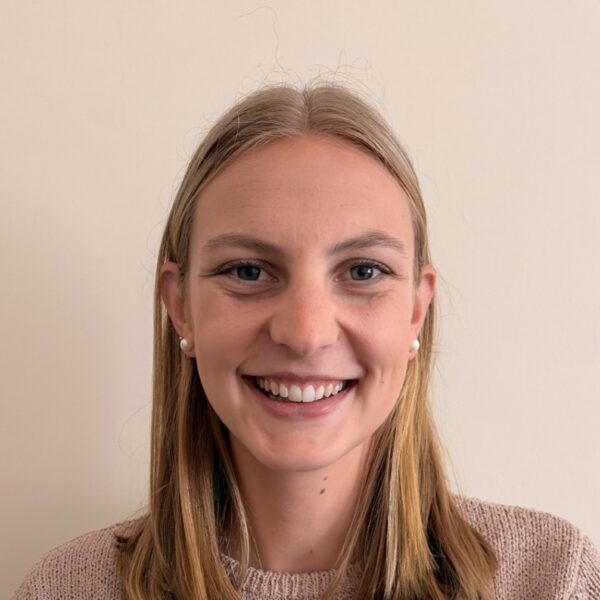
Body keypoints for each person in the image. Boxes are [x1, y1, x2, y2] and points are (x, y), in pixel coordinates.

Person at [12, 83, 600, 600]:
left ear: (416, 309)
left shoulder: (549, 578)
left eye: (363, 271)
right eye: (248, 271)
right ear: (180, 306)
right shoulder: (66, 589)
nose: (304, 333)